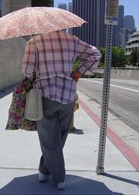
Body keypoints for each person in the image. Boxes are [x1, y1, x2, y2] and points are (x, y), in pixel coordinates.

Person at [22, 30, 101, 190]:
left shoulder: (34, 42)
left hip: (45, 93)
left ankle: (59, 177)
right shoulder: (73, 40)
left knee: (48, 139)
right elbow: (95, 54)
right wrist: (79, 71)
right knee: (60, 135)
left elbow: (27, 71)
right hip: (68, 93)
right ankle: (44, 170)